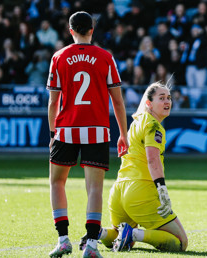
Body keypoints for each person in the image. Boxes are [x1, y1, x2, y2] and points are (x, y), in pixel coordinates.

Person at [47, 11, 128, 258]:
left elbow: (53, 102)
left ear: (70, 30)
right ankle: (91, 245)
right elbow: (117, 101)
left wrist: (52, 132)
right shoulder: (105, 57)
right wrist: (123, 134)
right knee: (94, 188)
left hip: (66, 129)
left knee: (57, 181)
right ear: (92, 30)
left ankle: (63, 239)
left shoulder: (59, 57)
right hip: (97, 129)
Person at [79, 82, 188, 253]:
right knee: (181, 242)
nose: (167, 101)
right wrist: (162, 190)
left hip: (118, 192)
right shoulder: (153, 125)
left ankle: (98, 233)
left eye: (169, 98)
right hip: (139, 192)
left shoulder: (135, 123)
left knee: (120, 237)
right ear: (149, 103)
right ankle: (134, 234)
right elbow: (152, 160)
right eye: (161, 98)